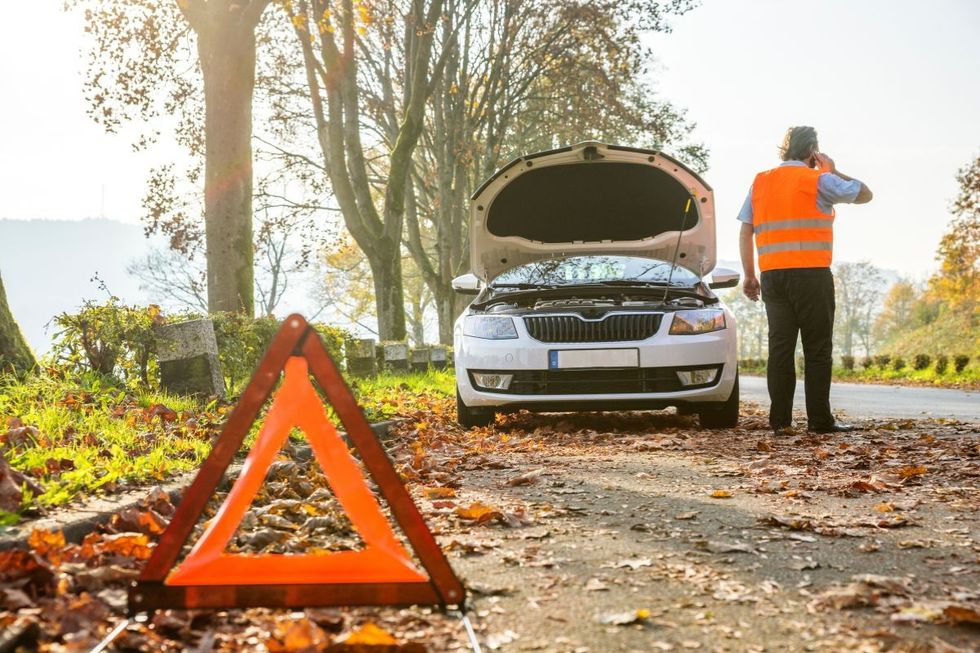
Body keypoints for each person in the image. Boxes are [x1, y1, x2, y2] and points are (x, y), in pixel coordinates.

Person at [738, 126, 873, 434]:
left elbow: (747, 229)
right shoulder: (820, 180)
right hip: (811, 275)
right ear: (813, 150)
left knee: (781, 349)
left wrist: (749, 274)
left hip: (772, 276)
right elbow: (865, 194)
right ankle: (820, 422)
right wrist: (833, 169)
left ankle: (780, 423)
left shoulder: (760, 182)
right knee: (817, 349)